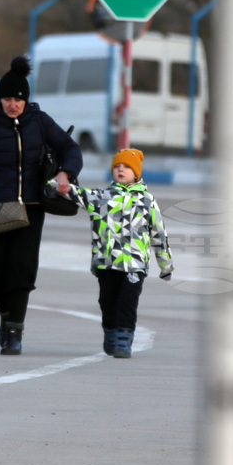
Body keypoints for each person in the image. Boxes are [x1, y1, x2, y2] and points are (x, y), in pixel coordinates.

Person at [0, 56, 83, 355]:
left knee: (21, 271)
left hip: (30, 208)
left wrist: (66, 172)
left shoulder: (39, 121)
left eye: (18, 99)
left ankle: (15, 330)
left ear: (26, 100)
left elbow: (70, 148)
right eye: (7, 99)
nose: (13, 104)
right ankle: (5, 310)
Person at [47, 148, 174, 359]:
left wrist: (166, 265)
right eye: (117, 166)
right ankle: (110, 330)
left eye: (126, 167)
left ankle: (124, 337)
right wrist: (53, 184)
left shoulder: (147, 201)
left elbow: (159, 234)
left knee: (128, 301)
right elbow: (76, 193)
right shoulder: (101, 197)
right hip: (106, 262)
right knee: (107, 300)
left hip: (135, 264)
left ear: (137, 173)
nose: (121, 169)